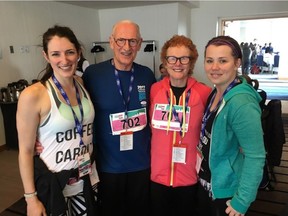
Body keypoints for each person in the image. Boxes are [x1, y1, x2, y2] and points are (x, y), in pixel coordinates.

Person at [17, 25, 99, 216]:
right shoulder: (34, 95)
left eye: (70, 52)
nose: (64, 60)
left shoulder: (81, 83)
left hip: (84, 178)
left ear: (78, 53)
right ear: (46, 56)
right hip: (54, 185)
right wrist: (31, 199)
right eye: (56, 54)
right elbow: (26, 151)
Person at [82, 20, 156, 216]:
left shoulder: (147, 75)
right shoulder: (93, 74)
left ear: (139, 44)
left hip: (141, 164)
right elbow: (77, 110)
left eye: (132, 41)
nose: (126, 47)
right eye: (121, 40)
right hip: (108, 167)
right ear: (111, 42)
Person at [196, 35, 266, 216]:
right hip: (209, 183)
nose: (215, 67)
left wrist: (242, 201)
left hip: (228, 193)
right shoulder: (216, 92)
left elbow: (255, 156)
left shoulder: (241, 103)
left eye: (223, 61)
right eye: (210, 60)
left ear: (237, 63)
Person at [149, 35, 211, 216]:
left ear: (191, 62)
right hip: (158, 176)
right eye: (172, 58)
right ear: (165, 62)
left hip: (189, 176)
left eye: (184, 58)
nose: (178, 63)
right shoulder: (155, 90)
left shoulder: (204, 92)